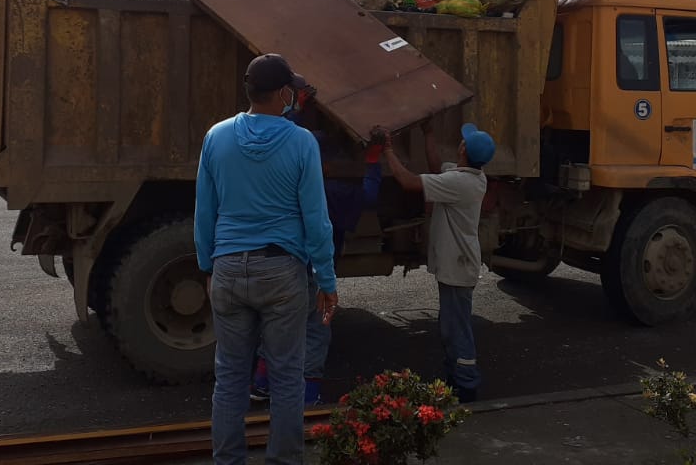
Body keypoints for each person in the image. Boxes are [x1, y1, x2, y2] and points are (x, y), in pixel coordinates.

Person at [195, 54, 339, 465]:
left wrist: (208, 266)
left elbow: (205, 212)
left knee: (230, 377)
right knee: (287, 377)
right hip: (281, 271)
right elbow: (316, 218)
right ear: (283, 94)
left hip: (227, 267)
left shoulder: (217, 136)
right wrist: (326, 280)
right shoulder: (301, 142)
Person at [251, 130, 385, 405]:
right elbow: (369, 196)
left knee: (277, 324)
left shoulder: (283, 185)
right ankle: (308, 395)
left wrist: (295, 113)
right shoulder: (335, 192)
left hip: (281, 266)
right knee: (315, 330)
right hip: (314, 272)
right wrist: (373, 160)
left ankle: (262, 383)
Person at [382, 120, 492, 404]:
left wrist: (387, 149)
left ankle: (466, 385)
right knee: (451, 325)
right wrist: (428, 133)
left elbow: (408, 181)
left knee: (457, 329)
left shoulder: (460, 183)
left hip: (457, 267)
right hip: (458, 265)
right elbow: (436, 167)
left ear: (463, 149)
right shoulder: (469, 177)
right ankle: (455, 377)